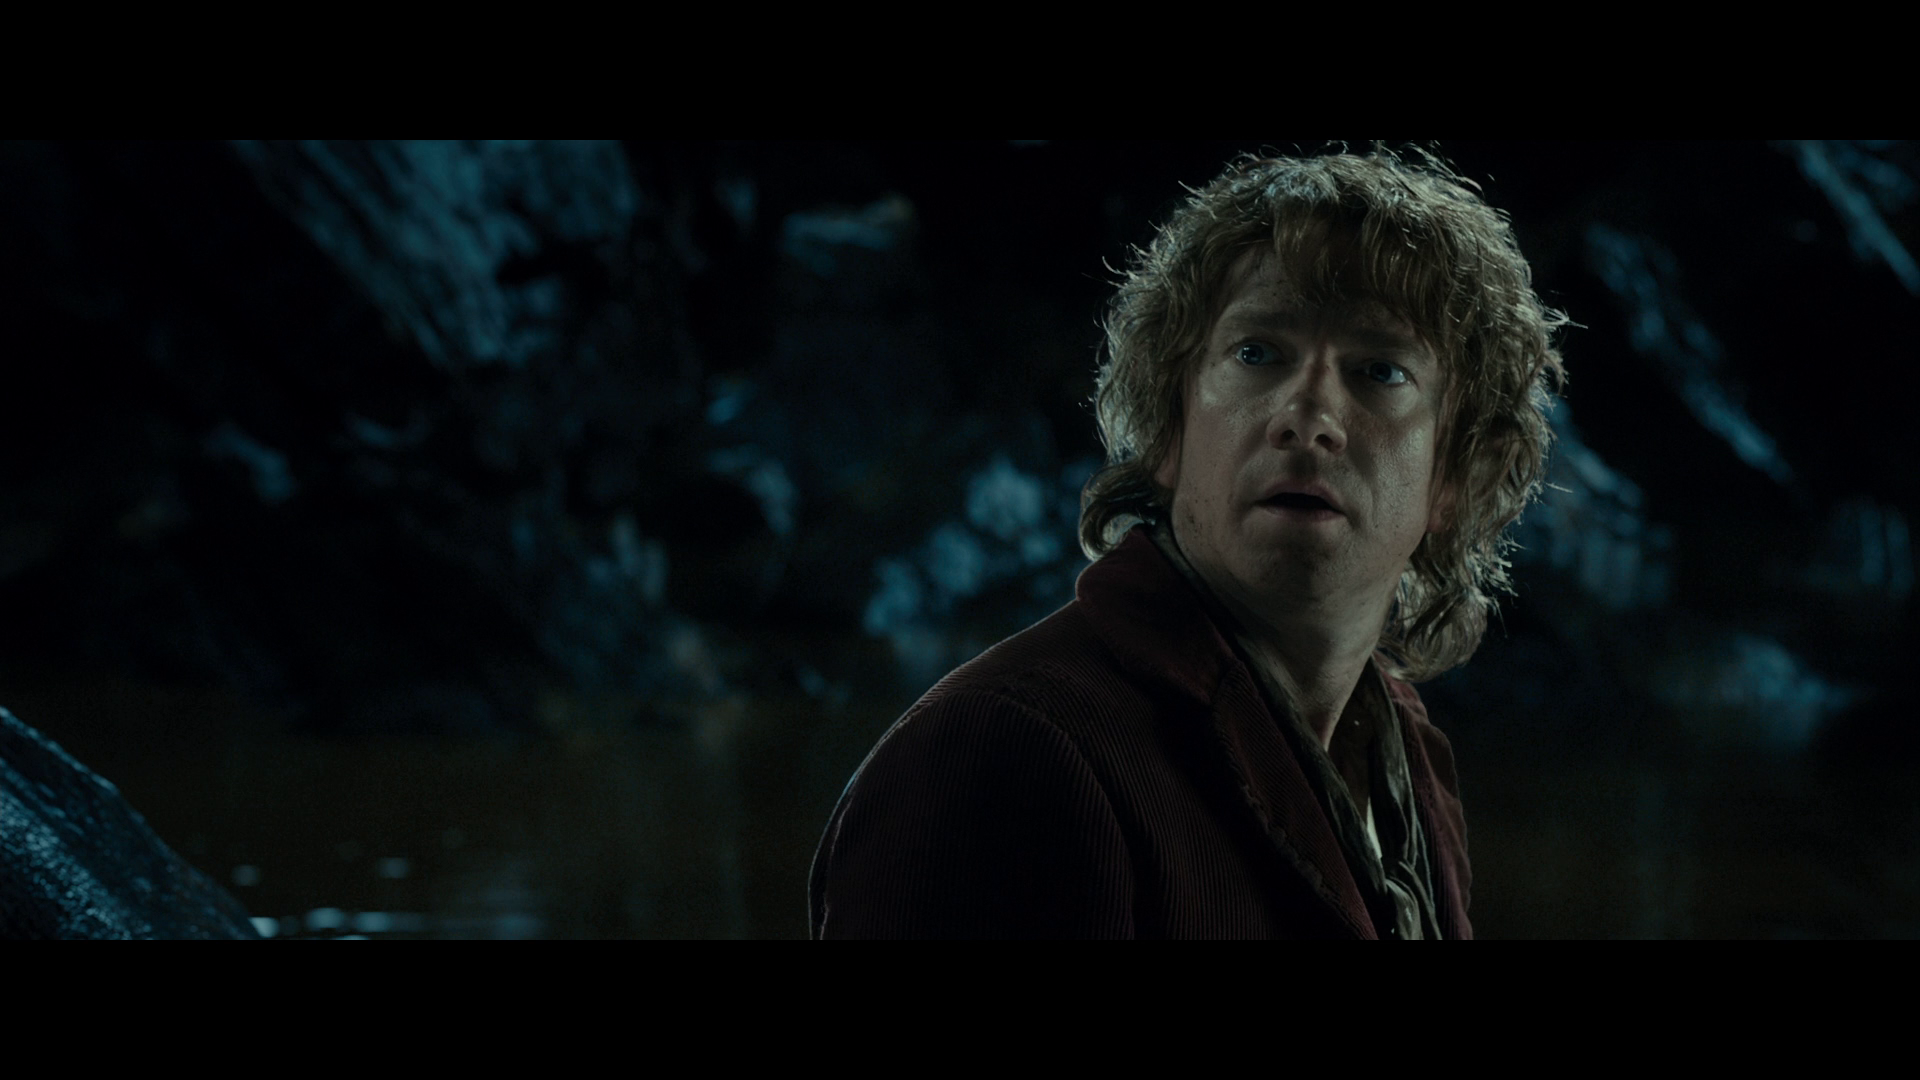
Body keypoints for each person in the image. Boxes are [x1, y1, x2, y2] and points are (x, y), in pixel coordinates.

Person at [809, 149, 1568, 939]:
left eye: (1379, 370)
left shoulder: (1407, 760)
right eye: (1257, 353)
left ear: (1455, 474)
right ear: (1169, 430)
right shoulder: (1000, 752)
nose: (1308, 417)